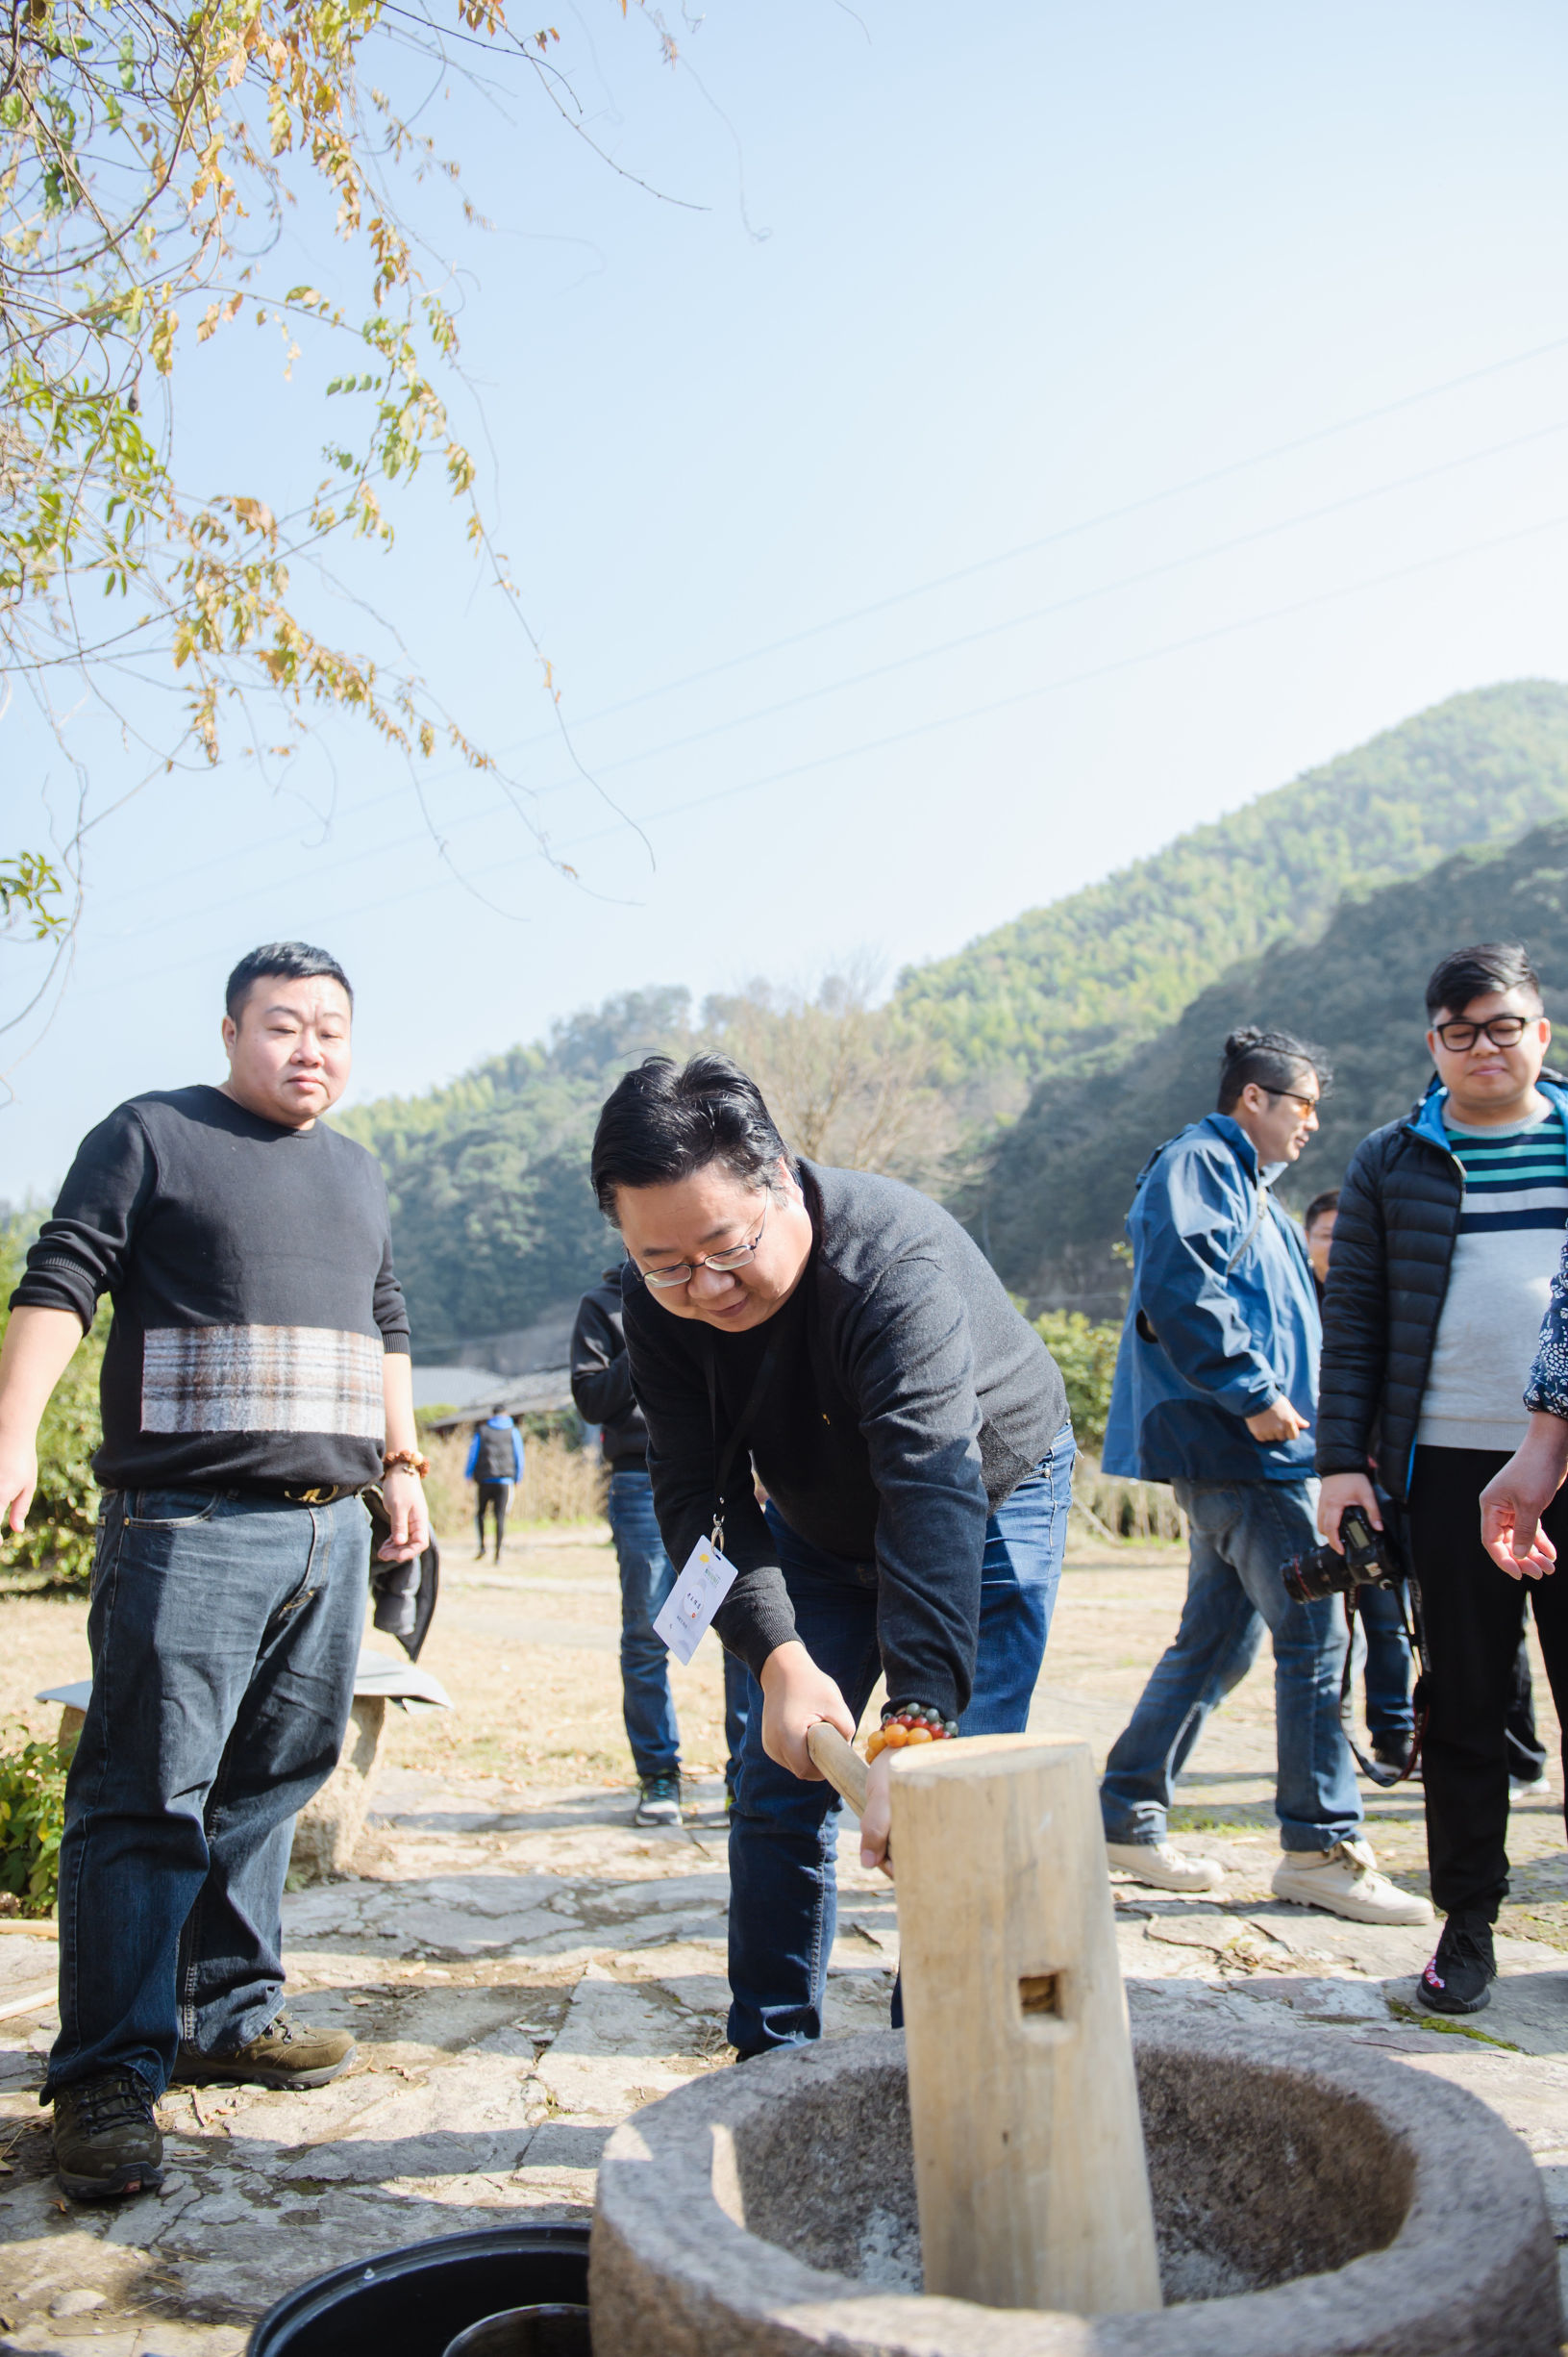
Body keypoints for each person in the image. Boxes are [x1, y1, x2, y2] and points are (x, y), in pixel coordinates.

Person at [0, 942, 429, 2201]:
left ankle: (227, 2014)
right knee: (147, 1794)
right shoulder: (150, 1134)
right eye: (285, 1023)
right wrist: (15, 1425)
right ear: (232, 1028)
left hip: (329, 1524)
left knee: (274, 1776)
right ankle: (105, 2079)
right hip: (185, 1523)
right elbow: (62, 1274)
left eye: (333, 1028)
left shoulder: (356, 1171)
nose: (312, 1047)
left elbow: (387, 1317)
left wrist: (400, 1459)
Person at [589, 1054, 1074, 2057]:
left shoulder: (888, 1267)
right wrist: (777, 1657)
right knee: (774, 1779)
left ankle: (932, 2069)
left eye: (724, 1248)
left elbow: (929, 1486)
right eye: (662, 1262)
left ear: (777, 1178)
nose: (703, 1286)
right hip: (814, 1518)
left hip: (984, 1492)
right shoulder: (659, 1307)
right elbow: (692, 1498)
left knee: (951, 1801)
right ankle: (767, 2060)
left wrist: (914, 1720)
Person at [1099, 1026, 1430, 1925]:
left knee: (1214, 1641)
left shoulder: (1253, 1191)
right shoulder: (1199, 1162)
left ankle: (1124, 1810)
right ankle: (1319, 1842)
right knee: (1314, 1629)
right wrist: (1251, 1390)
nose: (1311, 1125)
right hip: (1240, 1448)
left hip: (1254, 1451)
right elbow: (1180, 1283)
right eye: (1302, 1105)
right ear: (1254, 1097)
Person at [1318, 941, 1568, 2013]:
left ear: (1538, 1032)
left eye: (1501, 1025)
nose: (1482, 1046)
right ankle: (1465, 1927)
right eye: (1458, 1031)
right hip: (1442, 1467)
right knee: (1460, 1705)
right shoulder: (1390, 1159)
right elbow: (1356, 1322)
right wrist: (1339, 1465)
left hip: (1562, 1455)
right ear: (1432, 1045)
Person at [572, 1267, 750, 1826]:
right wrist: (650, 1326)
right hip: (638, 1482)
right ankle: (659, 1777)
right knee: (648, 1636)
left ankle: (744, 1778)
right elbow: (592, 1399)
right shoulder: (602, 1307)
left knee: (747, 1629)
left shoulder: (718, 1288)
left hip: (724, 1475)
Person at [1305, 1188, 1415, 1776]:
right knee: (1329, 1623)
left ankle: (1394, 1733)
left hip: (1383, 1477)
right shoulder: (1298, 1301)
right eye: (1328, 1235)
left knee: (1387, 1615)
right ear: (1309, 1241)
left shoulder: (1384, 1298)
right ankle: (1334, 1735)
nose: (1338, 1245)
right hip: (1324, 1478)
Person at [465, 1405, 523, 1561]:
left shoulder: (482, 1431)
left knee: (481, 1514)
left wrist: (468, 1474)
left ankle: (482, 1547)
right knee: (500, 1516)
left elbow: (473, 1454)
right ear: (506, 1414)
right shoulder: (513, 1431)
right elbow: (519, 1455)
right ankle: (498, 1553)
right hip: (505, 1480)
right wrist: (518, 1477)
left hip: (484, 1479)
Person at [1304, 1191, 1339, 1291]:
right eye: (1327, 1236)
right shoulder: (1293, 1290)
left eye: (1345, 1238)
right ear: (1306, 1238)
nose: (1336, 1246)